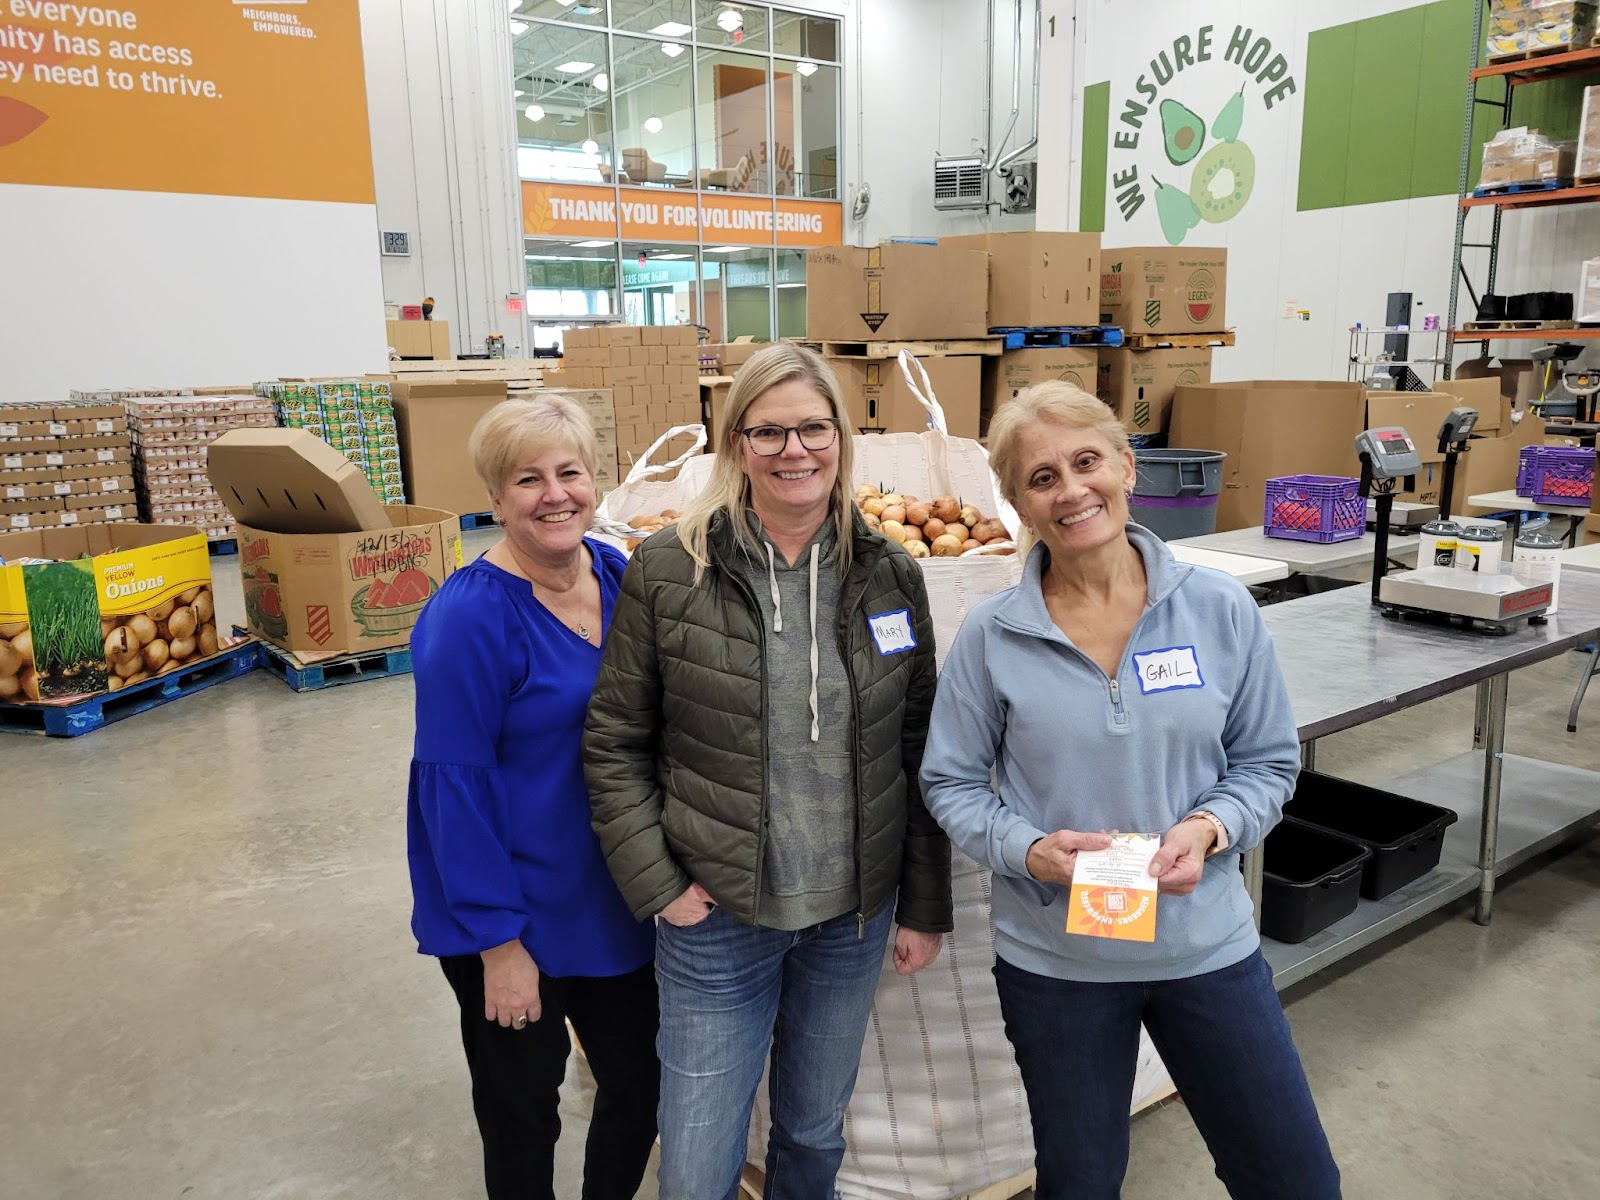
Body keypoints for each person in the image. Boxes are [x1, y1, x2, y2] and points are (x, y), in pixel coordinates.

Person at [919, 382, 1341, 1200]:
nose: (1071, 491)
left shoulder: (1218, 610)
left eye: (1086, 462)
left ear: (1125, 465)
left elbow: (1267, 762)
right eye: (1042, 479)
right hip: (1057, 967)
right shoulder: (993, 636)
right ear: (1016, 504)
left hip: (1204, 947)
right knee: (1078, 1184)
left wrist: (1212, 827)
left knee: (1295, 1179)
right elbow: (952, 781)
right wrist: (1030, 851)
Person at [583, 343, 954, 1200]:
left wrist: (923, 903)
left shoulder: (891, 574)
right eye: (770, 431)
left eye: (814, 429)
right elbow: (614, 742)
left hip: (849, 918)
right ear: (736, 444)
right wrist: (661, 885)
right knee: (700, 1152)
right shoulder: (672, 571)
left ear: (842, 437)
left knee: (814, 1133)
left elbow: (917, 745)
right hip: (715, 918)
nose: (796, 451)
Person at [406, 396, 659, 1200]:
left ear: (595, 482)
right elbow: (453, 791)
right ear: (495, 495)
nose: (555, 495)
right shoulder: (469, 619)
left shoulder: (618, 576)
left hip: (611, 898)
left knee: (641, 1090)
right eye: (528, 480)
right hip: (511, 914)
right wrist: (499, 947)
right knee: (522, 1115)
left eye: (570, 472)